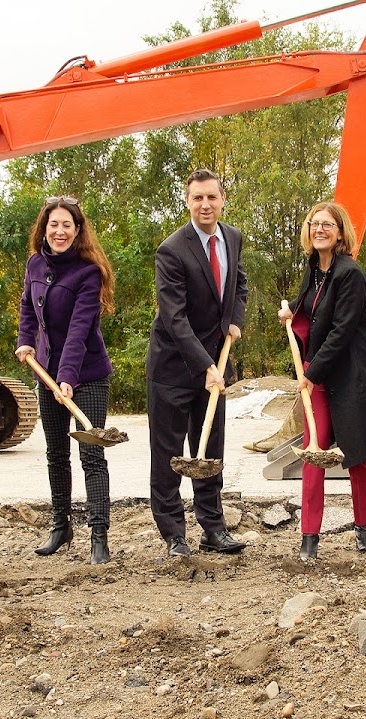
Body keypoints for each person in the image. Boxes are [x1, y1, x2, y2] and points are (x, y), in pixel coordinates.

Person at [277, 202, 366, 561]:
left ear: (340, 232)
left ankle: (363, 525)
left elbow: (341, 330)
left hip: (349, 375)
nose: (320, 230)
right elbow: (313, 311)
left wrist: (309, 373)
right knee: (313, 452)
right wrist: (294, 313)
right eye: (314, 224)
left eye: (328, 225)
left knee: (357, 453)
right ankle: (309, 535)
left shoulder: (351, 274)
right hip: (317, 373)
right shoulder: (312, 269)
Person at [147, 169, 248, 557]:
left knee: (210, 450)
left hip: (214, 365)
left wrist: (234, 319)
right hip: (174, 366)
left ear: (223, 199)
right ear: (187, 202)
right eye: (197, 198)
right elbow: (173, 317)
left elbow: (239, 282)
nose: (205, 205)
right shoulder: (172, 249)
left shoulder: (233, 238)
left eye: (211, 197)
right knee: (169, 453)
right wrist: (206, 365)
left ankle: (213, 528)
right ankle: (174, 533)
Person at [16, 196, 115, 564]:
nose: (59, 232)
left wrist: (68, 378)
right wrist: (25, 341)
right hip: (46, 374)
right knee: (56, 454)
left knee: (92, 453)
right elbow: (28, 307)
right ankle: (61, 526)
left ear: (77, 231)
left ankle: (99, 534)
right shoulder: (34, 264)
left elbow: (78, 329)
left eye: (67, 226)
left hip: (85, 375)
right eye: (53, 225)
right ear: (45, 228)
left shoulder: (88, 272)